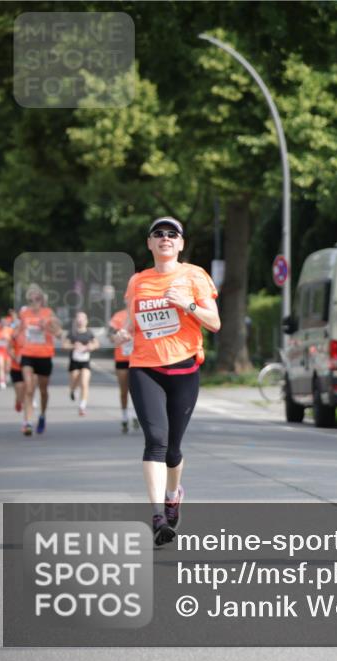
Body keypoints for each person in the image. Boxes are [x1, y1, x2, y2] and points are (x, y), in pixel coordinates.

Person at [114, 216, 220, 546]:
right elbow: (132, 325)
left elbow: (214, 323)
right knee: (156, 440)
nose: (165, 238)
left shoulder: (194, 276)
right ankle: (158, 514)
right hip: (145, 368)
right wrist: (122, 333)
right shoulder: (138, 282)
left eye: (171, 234)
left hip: (184, 370)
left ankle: (174, 493)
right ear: (149, 243)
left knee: (173, 450)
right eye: (158, 234)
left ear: (180, 244)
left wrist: (186, 304)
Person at [18, 284, 62, 436]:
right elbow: (18, 332)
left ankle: (42, 415)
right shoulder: (24, 314)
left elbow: (59, 333)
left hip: (44, 355)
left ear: (42, 300)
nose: (35, 301)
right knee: (29, 388)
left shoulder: (48, 313)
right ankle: (27, 422)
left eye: (38, 298)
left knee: (43, 391)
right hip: (28, 354)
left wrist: (47, 327)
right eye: (32, 298)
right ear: (29, 299)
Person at [108, 307, 138, 433]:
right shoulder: (118, 316)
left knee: (138, 390)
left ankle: (137, 416)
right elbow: (110, 335)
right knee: (124, 390)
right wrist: (118, 337)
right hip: (122, 358)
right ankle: (125, 417)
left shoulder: (140, 311)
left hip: (138, 359)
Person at [65, 311, 99, 416]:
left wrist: (90, 347)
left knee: (84, 383)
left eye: (82, 319)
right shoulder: (72, 333)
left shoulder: (89, 333)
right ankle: (73, 390)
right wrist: (74, 346)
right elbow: (65, 345)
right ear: (76, 321)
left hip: (85, 361)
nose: (80, 321)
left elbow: (96, 344)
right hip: (74, 361)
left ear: (86, 321)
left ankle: (82, 406)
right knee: (74, 380)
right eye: (78, 319)